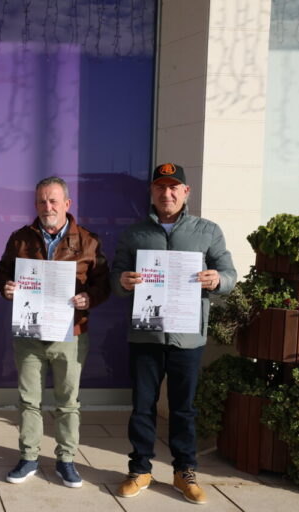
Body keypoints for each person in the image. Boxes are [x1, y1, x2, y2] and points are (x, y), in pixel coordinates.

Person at [111, 163, 236, 504]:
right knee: (143, 406)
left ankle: (185, 472)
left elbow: (229, 273)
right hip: (146, 336)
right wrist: (122, 281)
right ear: (152, 192)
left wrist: (217, 280)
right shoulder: (135, 233)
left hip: (187, 337)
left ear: (185, 192)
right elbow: (117, 274)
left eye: (173, 187)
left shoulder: (207, 231)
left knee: (183, 408)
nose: (166, 193)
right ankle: (139, 469)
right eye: (160, 187)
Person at [0, 176, 111, 488]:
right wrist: (5, 286)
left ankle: (66, 460)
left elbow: (103, 282)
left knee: (67, 402)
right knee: (29, 400)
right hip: (29, 334)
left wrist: (91, 297)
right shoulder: (20, 238)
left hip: (71, 333)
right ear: (35, 205)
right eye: (42, 201)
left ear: (67, 204)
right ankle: (29, 456)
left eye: (54, 201)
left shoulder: (88, 241)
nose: (48, 206)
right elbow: (3, 269)